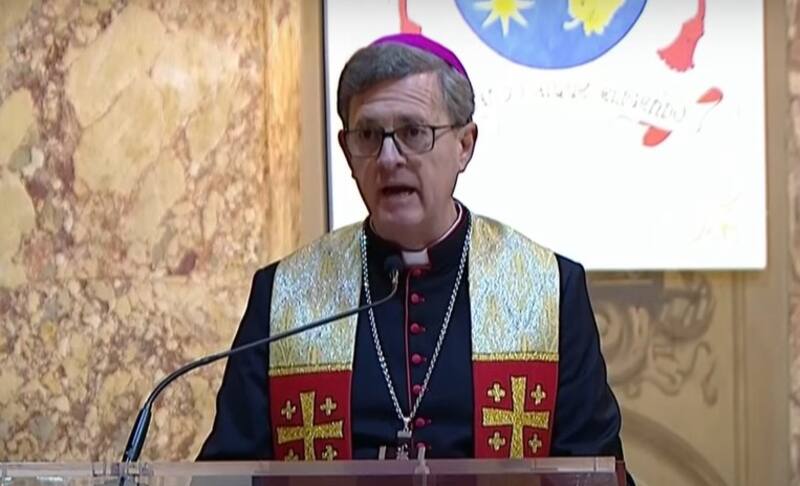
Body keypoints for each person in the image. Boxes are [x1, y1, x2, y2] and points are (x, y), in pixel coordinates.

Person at [198, 33, 633, 484]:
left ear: (464, 145)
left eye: (413, 132)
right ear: (347, 151)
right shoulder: (284, 294)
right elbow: (228, 472)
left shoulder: (550, 289)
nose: (388, 158)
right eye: (369, 135)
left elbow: (594, 467)